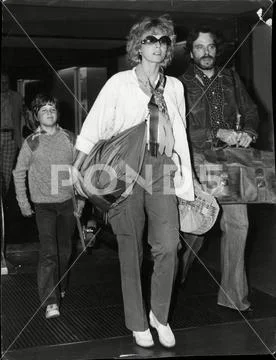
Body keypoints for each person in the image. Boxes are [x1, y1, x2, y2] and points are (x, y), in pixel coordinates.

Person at [73, 15, 194, 348]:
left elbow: (180, 134)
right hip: (124, 170)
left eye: (163, 40)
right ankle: (137, 322)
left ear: (169, 48)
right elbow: (94, 126)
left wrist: (186, 182)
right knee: (130, 247)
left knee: (169, 245)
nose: (157, 46)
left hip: (161, 169)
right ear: (137, 47)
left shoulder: (175, 87)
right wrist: (77, 168)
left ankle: (159, 314)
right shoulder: (119, 83)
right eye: (150, 40)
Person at [178, 25, 259, 312]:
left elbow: (250, 111)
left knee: (239, 224)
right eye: (199, 47)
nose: (206, 52)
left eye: (210, 46)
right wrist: (218, 134)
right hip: (201, 160)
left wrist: (248, 131)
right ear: (191, 52)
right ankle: (172, 282)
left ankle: (233, 297)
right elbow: (181, 129)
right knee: (195, 231)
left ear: (216, 49)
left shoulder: (231, 78)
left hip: (232, 160)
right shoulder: (180, 84)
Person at [13, 94, 76, 319]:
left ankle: (59, 286)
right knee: (49, 252)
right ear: (36, 116)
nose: (49, 112)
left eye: (52, 108)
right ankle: (50, 301)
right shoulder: (32, 142)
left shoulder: (70, 138)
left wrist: (82, 202)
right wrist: (23, 202)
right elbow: (19, 172)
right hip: (43, 205)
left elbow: (80, 169)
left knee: (65, 252)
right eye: (43, 110)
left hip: (67, 203)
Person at [1, 72, 23, 196]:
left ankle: (3, 199)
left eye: (5, 82)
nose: (3, 84)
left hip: (11, 136)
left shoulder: (16, 97)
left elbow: (24, 118)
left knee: (7, 171)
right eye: (1, 82)